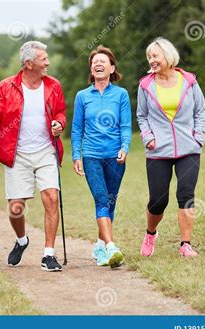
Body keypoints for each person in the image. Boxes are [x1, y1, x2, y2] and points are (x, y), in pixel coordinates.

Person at [0, 41, 66, 272]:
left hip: (45, 151)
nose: (48, 62)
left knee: (51, 197)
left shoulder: (53, 85)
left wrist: (59, 124)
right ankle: (22, 240)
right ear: (29, 63)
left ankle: (48, 254)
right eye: (43, 59)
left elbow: (60, 112)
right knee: (16, 208)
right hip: (17, 153)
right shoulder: (6, 86)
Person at [136, 37, 205, 257]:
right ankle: (151, 233)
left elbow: (200, 111)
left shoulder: (189, 81)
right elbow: (142, 115)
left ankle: (185, 244)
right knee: (158, 200)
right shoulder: (145, 85)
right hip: (158, 150)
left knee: (186, 194)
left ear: (167, 56)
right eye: (149, 57)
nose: (152, 60)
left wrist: (198, 137)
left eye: (155, 56)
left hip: (188, 148)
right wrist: (148, 138)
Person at [71, 45, 132, 268]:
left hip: (115, 156)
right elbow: (77, 128)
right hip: (92, 155)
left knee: (111, 201)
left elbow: (126, 125)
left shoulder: (121, 94)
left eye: (102, 61)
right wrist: (76, 155)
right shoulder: (82, 96)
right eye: (94, 61)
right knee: (101, 199)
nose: (98, 64)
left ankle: (99, 245)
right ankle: (111, 247)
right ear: (91, 68)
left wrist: (125, 147)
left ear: (112, 68)